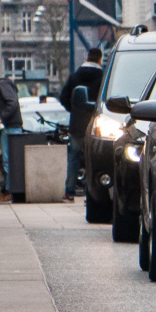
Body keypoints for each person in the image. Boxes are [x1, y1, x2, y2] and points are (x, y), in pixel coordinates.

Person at [60, 48, 104, 202]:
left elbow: (63, 97)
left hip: (77, 123)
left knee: (74, 157)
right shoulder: (103, 76)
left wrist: (74, 109)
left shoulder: (75, 76)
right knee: (93, 158)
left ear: (87, 57)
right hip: (96, 124)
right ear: (100, 59)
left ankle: (69, 191)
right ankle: (91, 193)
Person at [0, 65, 22, 203]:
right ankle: (10, 189)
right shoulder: (5, 85)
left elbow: (12, 102)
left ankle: (10, 190)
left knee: (8, 160)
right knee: (9, 159)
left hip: (9, 126)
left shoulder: (0, 85)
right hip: (11, 126)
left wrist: (0, 118)